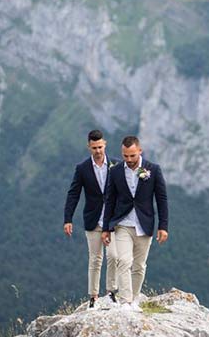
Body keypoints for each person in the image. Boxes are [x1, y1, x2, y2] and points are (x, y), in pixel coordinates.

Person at [102, 135, 169, 307]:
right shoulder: (115, 171)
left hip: (144, 224)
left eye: (132, 155)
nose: (129, 159)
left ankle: (134, 299)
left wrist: (163, 226)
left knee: (139, 266)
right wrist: (105, 228)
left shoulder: (153, 170)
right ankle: (125, 302)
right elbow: (110, 200)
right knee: (123, 261)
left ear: (140, 151)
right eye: (125, 156)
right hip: (122, 224)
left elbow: (161, 199)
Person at [63, 129, 116, 307]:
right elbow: (73, 194)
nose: (98, 151)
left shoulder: (116, 164)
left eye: (100, 147)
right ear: (89, 147)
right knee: (95, 259)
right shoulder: (82, 168)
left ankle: (111, 293)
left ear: (105, 144)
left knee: (114, 256)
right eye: (94, 148)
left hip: (112, 219)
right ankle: (93, 297)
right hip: (93, 219)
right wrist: (68, 218)